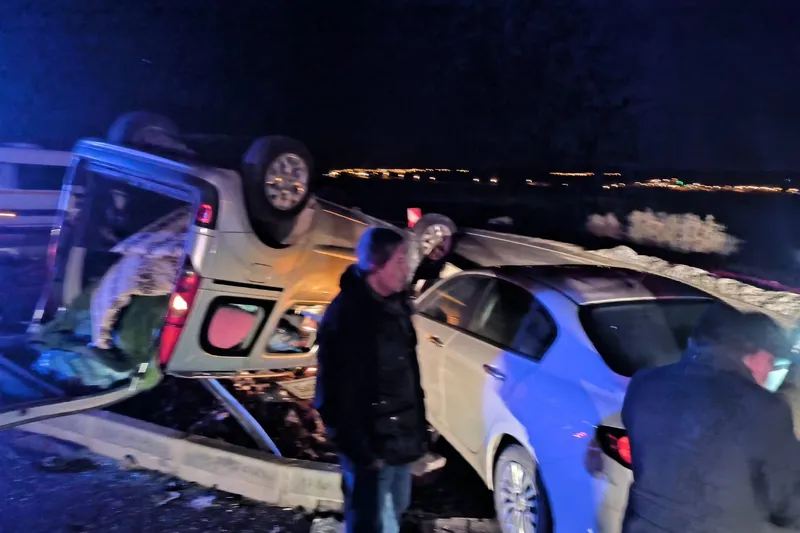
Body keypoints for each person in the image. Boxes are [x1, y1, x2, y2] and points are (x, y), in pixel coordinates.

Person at [621, 303, 800, 533]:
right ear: (752, 354)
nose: (771, 373)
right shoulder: (763, 409)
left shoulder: (646, 382)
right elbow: (788, 503)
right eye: (771, 362)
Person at [314, 227, 428, 533]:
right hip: (371, 448)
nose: (406, 269)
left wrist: (417, 430)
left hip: (400, 441)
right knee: (375, 523)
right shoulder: (347, 318)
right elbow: (332, 396)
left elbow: (407, 374)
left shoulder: (397, 306)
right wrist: (361, 453)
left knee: (397, 509)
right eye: (400, 260)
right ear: (375, 264)